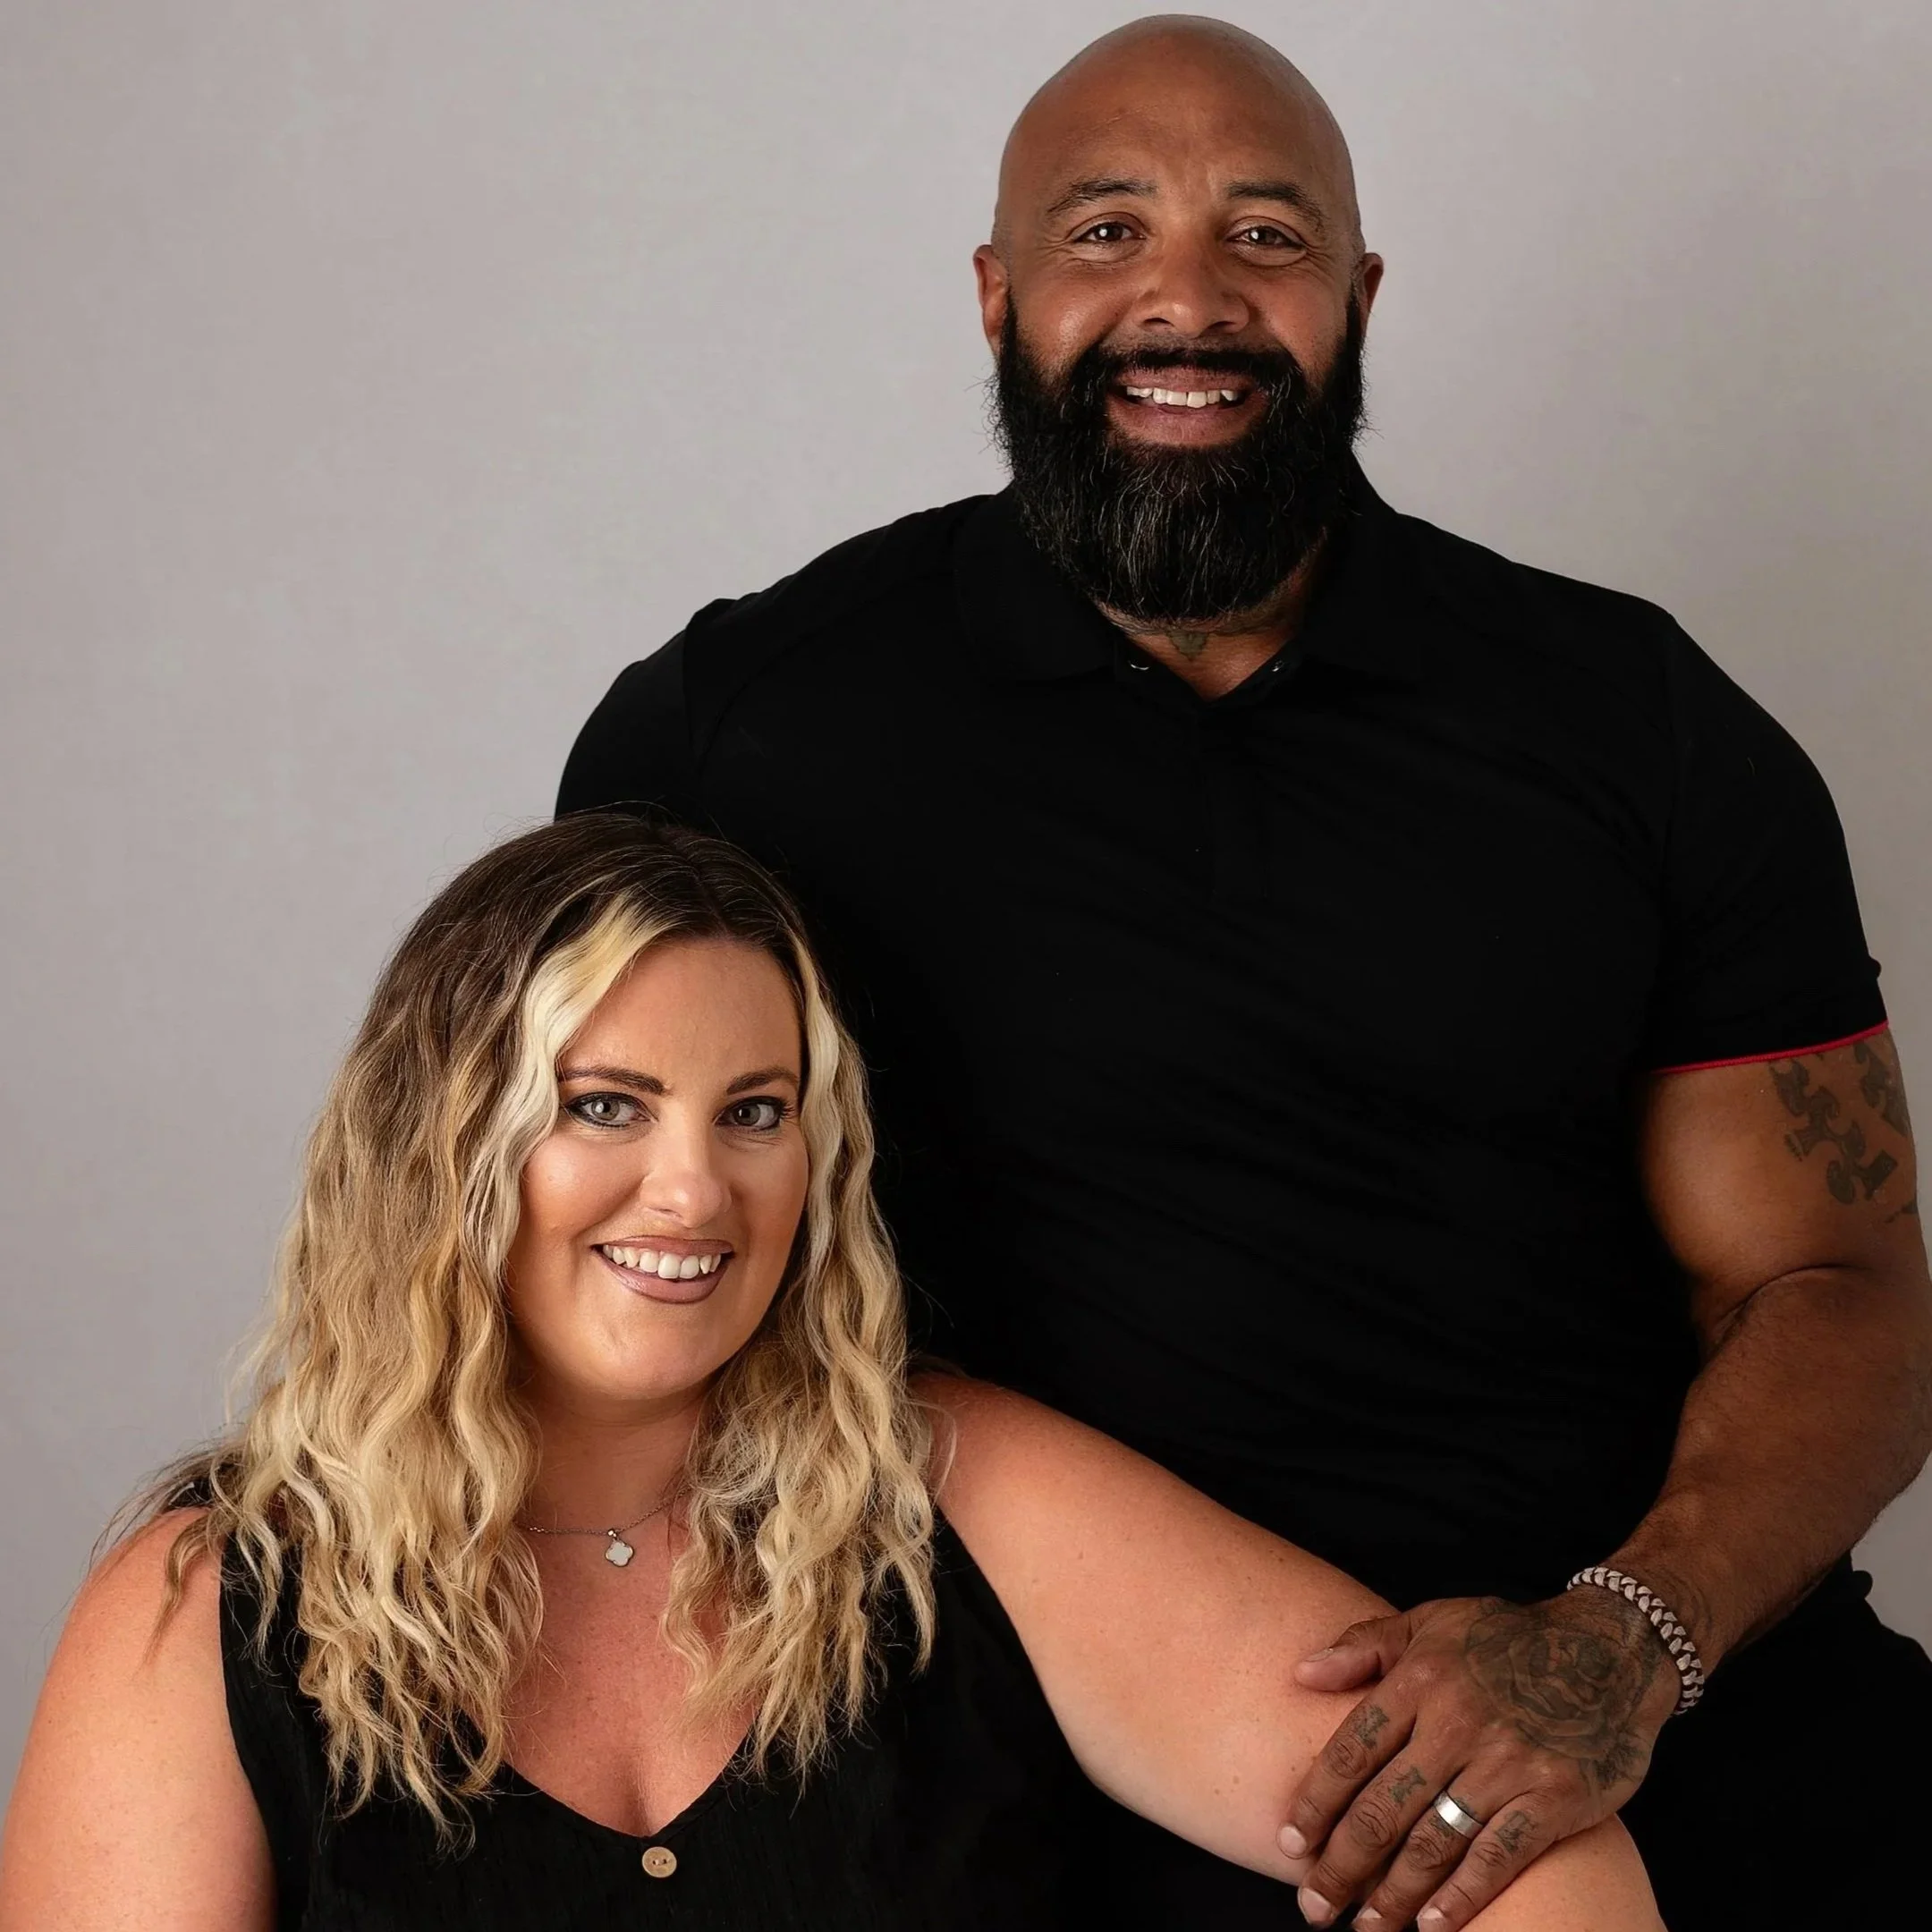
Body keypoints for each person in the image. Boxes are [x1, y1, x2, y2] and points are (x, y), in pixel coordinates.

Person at [555, 15, 1932, 1931]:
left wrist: (1624, 1644)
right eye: (1105, 231)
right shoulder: (738, 733)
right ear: (997, 295)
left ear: (1359, 298)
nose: (1186, 300)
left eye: (1265, 237)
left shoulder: (1641, 724)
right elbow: (590, 1263)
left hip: (1651, 1700)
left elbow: (1842, 1285)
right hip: (1031, 1767)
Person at [0, 814, 1663, 1931]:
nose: (693, 1194)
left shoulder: (957, 1496)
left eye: (756, 1112)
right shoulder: (205, 1617)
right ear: (435, 1145)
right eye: (603, 1105)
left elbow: (1516, 1838)